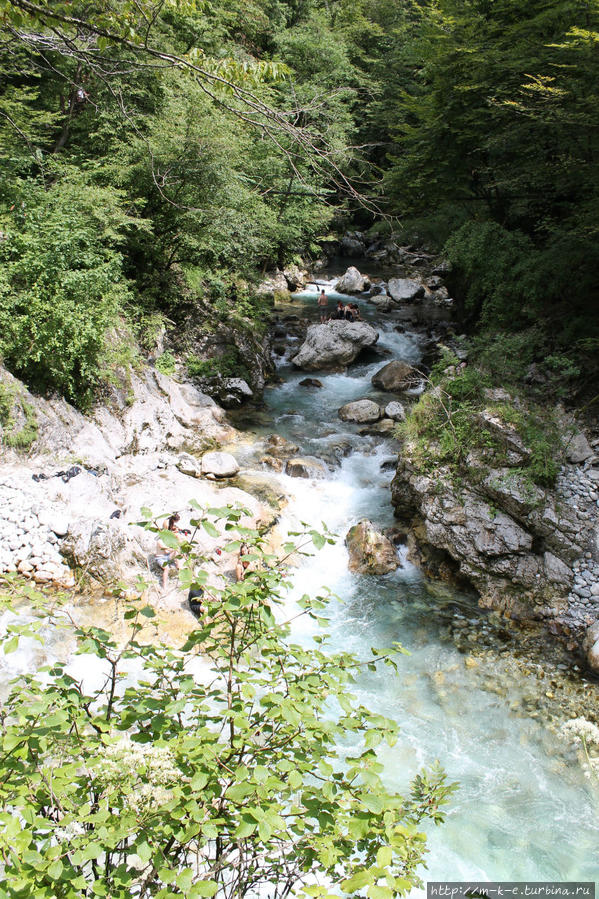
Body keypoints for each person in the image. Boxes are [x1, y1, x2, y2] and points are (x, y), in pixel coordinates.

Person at [156, 513, 181, 589]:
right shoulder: (159, 541)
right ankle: (164, 585)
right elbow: (166, 551)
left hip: (167, 556)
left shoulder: (166, 540)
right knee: (166, 569)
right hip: (160, 558)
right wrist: (174, 548)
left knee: (177, 552)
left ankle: (179, 568)